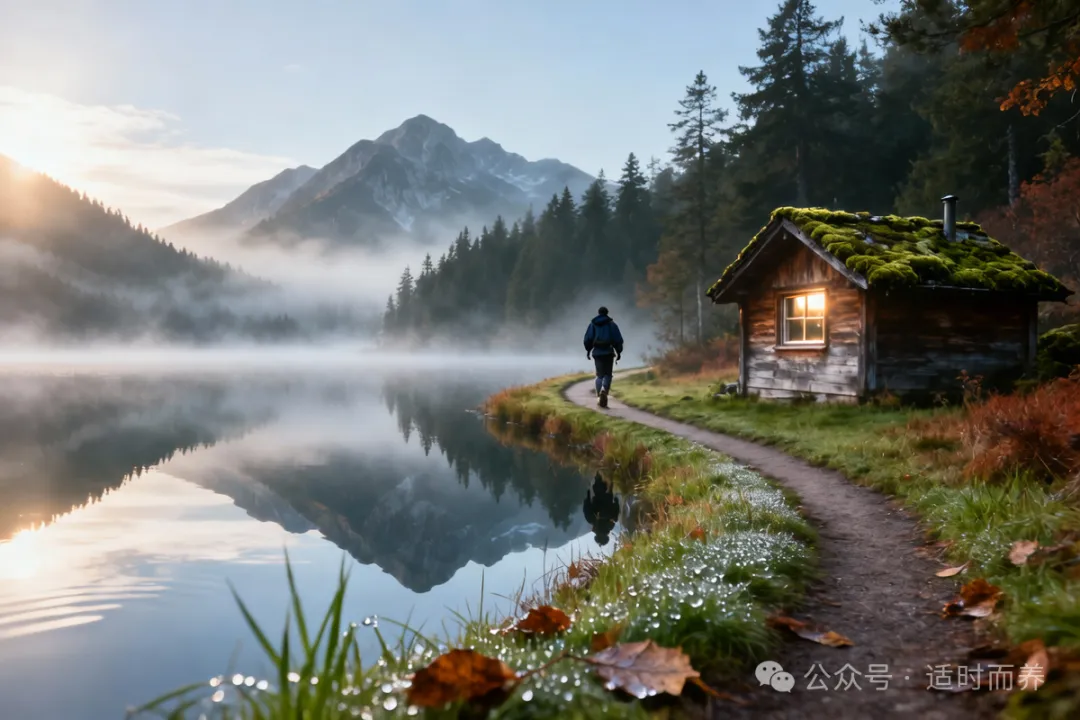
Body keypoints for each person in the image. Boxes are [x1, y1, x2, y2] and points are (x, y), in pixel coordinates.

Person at [583, 306, 624, 409]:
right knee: (608, 375)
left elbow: (587, 339)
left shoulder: (593, 325)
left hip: (597, 353)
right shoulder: (612, 325)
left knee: (599, 375)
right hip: (608, 352)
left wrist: (588, 350)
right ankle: (604, 390)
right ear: (607, 313)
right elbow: (618, 339)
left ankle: (598, 396)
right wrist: (618, 352)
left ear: (599, 313)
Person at [582, 472, 620, 546]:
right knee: (600, 473)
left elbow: (616, 512)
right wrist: (588, 494)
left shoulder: (610, 526)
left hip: (608, 493)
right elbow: (586, 506)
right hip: (598, 492)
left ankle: (610, 465)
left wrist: (616, 501)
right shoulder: (591, 519)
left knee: (608, 474)